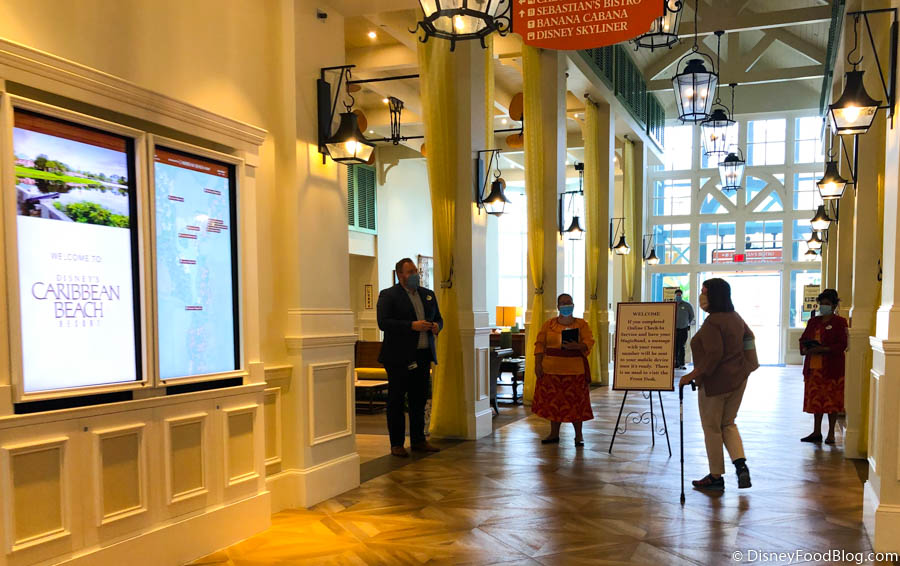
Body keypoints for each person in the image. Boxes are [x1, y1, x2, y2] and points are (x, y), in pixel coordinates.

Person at [679, 278, 754, 491]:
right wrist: (747, 367)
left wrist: (692, 375)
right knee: (728, 423)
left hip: (715, 383)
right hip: (737, 380)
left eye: (704, 292)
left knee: (712, 428)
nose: (701, 296)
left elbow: (714, 354)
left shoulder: (713, 322)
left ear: (714, 295)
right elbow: (750, 339)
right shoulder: (735, 317)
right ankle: (740, 466)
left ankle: (715, 476)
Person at [377, 258, 443, 457]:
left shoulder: (428, 295)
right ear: (400, 275)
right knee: (397, 401)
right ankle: (396, 443)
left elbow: (439, 318)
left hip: (422, 355)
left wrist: (437, 326)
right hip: (398, 357)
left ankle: (418, 440)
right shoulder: (388, 295)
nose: (415, 274)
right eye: (410, 271)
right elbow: (383, 323)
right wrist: (411, 326)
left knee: (419, 400)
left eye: (416, 271)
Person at [532, 293, 594, 447]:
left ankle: (578, 435)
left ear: (573, 305)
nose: (566, 305)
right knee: (553, 403)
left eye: (569, 302)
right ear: (558, 306)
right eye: (563, 303)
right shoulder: (549, 324)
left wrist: (577, 346)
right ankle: (554, 433)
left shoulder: (581, 324)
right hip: (551, 370)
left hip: (575, 370)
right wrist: (537, 364)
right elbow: (539, 345)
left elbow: (589, 341)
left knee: (576, 404)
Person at [799, 289, 848, 445]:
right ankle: (816, 431)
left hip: (832, 368)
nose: (823, 306)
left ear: (834, 305)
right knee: (816, 400)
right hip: (814, 367)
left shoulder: (840, 322)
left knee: (832, 401)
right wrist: (806, 347)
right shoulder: (813, 322)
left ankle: (831, 433)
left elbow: (842, 344)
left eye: (827, 304)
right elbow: (803, 338)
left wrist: (823, 349)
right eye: (822, 304)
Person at [674, 289, 695, 370]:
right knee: (675, 347)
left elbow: (691, 316)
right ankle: (675, 363)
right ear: (675, 296)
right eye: (677, 295)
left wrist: (687, 323)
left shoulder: (687, 305)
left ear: (682, 295)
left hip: (683, 329)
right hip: (674, 330)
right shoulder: (672, 305)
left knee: (681, 346)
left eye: (680, 295)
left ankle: (682, 363)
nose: (678, 296)